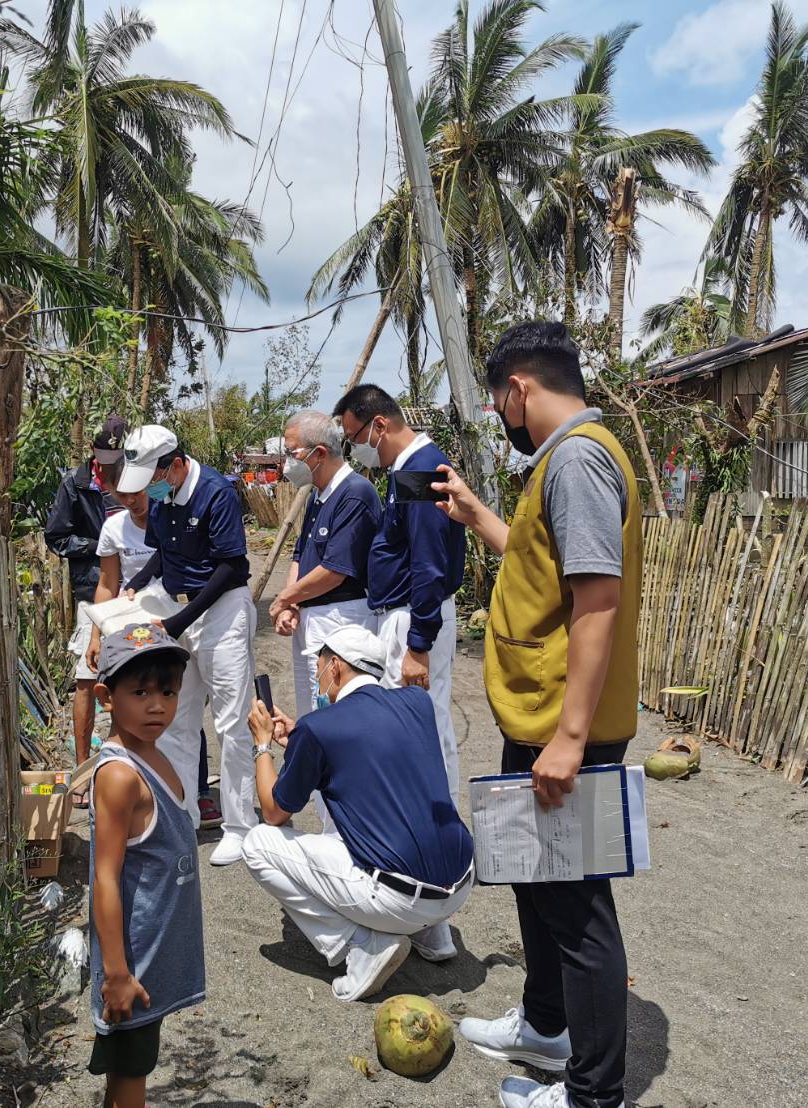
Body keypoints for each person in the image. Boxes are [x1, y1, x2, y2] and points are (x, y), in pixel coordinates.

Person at [435, 321, 642, 1108]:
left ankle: (594, 1095)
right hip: (541, 719)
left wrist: (568, 738)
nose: (499, 417)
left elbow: (595, 601)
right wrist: (476, 513)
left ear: (517, 388)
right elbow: (547, 563)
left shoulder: (579, 459)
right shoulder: (561, 461)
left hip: (563, 726)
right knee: (534, 877)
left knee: (575, 903)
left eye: (498, 403)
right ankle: (546, 1025)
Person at [242, 625, 474, 1001]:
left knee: (257, 844)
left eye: (319, 668)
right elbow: (368, 745)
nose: (317, 679)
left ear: (335, 667)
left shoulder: (320, 728)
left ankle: (362, 947)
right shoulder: (417, 703)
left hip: (400, 899)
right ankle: (432, 933)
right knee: (390, 808)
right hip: (460, 880)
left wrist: (263, 745)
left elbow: (273, 812)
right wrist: (301, 738)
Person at [117, 425, 258, 866]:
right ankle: (183, 816)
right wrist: (133, 586)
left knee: (232, 721)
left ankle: (240, 826)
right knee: (178, 719)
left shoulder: (217, 493)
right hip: (180, 613)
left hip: (222, 614)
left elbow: (231, 566)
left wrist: (178, 622)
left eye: (153, 479)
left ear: (175, 465)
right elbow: (162, 556)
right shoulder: (162, 496)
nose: (149, 491)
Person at [87, 623, 204, 1108]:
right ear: (106, 696)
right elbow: (104, 878)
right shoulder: (120, 776)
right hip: (131, 962)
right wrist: (115, 972)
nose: (157, 705)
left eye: (168, 691)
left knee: (130, 1069)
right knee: (131, 1074)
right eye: (140, 692)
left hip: (150, 956)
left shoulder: (154, 754)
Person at [331, 385, 466, 798]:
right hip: (404, 613)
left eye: (355, 438)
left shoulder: (420, 471)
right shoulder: (407, 470)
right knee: (410, 723)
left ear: (380, 425)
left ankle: (438, 821)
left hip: (413, 615)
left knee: (424, 723)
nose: (355, 449)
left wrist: (418, 644)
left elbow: (429, 560)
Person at [88, 464, 224, 829]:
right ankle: (153, 803)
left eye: (138, 491)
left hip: (178, 624)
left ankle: (192, 796)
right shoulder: (114, 528)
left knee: (183, 713)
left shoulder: (170, 513)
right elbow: (109, 583)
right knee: (151, 717)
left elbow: (176, 563)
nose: (132, 500)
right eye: (122, 494)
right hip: (139, 634)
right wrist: (97, 632)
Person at [268, 410, 382, 718]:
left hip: (341, 619)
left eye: (291, 453)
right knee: (312, 709)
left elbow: (334, 571)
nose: (287, 462)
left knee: (338, 709)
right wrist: (292, 605)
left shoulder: (355, 493)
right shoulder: (317, 496)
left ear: (319, 453)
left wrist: (284, 599)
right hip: (311, 615)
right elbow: (300, 555)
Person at [46, 414, 127, 763]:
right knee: (86, 676)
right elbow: (56, 536)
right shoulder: (75, 484)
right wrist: (100, 547)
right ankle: (82, 768)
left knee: (132, 675)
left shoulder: (138, 480)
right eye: (101, 458)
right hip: (93, 588)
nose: (106, 466)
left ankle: (125, 757)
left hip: (135, 591)